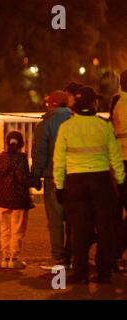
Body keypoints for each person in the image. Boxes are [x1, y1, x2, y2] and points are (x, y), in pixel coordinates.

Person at [53, 86, 125, 284]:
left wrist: (59, 186)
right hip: (101, 181)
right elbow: (115, 156)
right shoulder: (104, 125)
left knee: (80, 231)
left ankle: (81, 273)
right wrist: (119, 181)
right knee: (105, 230)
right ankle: (104, 273)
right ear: (93, 103)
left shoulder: (67, 127)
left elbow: (58, 161)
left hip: (76, 183)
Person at [31, 90, 72, 270]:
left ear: (52, 104)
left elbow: (39, 153)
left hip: (53, 177)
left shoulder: (46, 124)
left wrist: (35, 176)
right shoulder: (74, 120)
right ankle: (73, 257)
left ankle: (58, 259)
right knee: (73, 219)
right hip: (75, 175)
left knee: (55, 220)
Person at [0, 131, 34, 269]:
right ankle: (14, 258)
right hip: (19, 200)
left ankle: (5, 258)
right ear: (21, 144)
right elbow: (23, 179)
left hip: (3, 199)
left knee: (5, 230)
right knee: (17, 230)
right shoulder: (21, 159)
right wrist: (34, 182)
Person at [110, 69, 127, 271]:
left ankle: (113, 255)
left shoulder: (117, 101)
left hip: (118, 163)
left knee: (116, 212)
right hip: (125, 160)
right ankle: (114, 252)